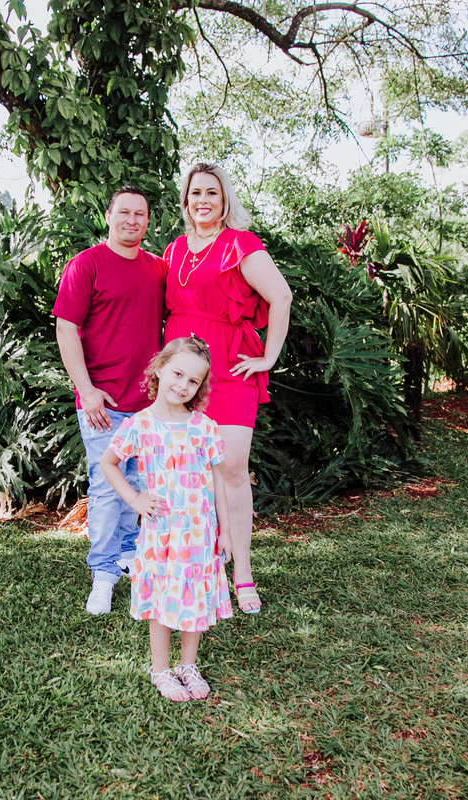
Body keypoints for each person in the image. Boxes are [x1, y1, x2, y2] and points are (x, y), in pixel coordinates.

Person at [162, 163, 292, 615]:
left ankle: (243, 573)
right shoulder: (174, 249)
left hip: (230, 367)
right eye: (195, 192)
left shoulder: (241, 243)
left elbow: (281, 296)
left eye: (211, 193)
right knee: (190, 472)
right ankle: (203, 563)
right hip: (183, 371)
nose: (203, 200)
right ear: (185, 200)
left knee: (232, 468)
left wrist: (268, 357)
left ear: (224, 200)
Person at [53, 186, 168, 616]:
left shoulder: (157, 269)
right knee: (106, 488)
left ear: (148, 221)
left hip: (149, 405)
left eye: (140, 213)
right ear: (108, 215)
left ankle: (127, 554)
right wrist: (86, 390)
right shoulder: (86, 265)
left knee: (137, 485)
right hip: (103, 402)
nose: (132, 220)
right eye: (124, 212)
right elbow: (66, 329)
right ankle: (102, 575)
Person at [101, 336, 232, 701]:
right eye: (178, 373)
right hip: (162, 533)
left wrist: (225, 531)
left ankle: (188, 665)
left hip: (201, 533)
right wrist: (134, 498)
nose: (183, 385)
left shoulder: (205, 427)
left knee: (196, 597)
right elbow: (108, 463)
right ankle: (160, 668)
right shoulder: (140, 425)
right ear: (159, 368)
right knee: (162, 598)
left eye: (193, 381)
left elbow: (218, 483)